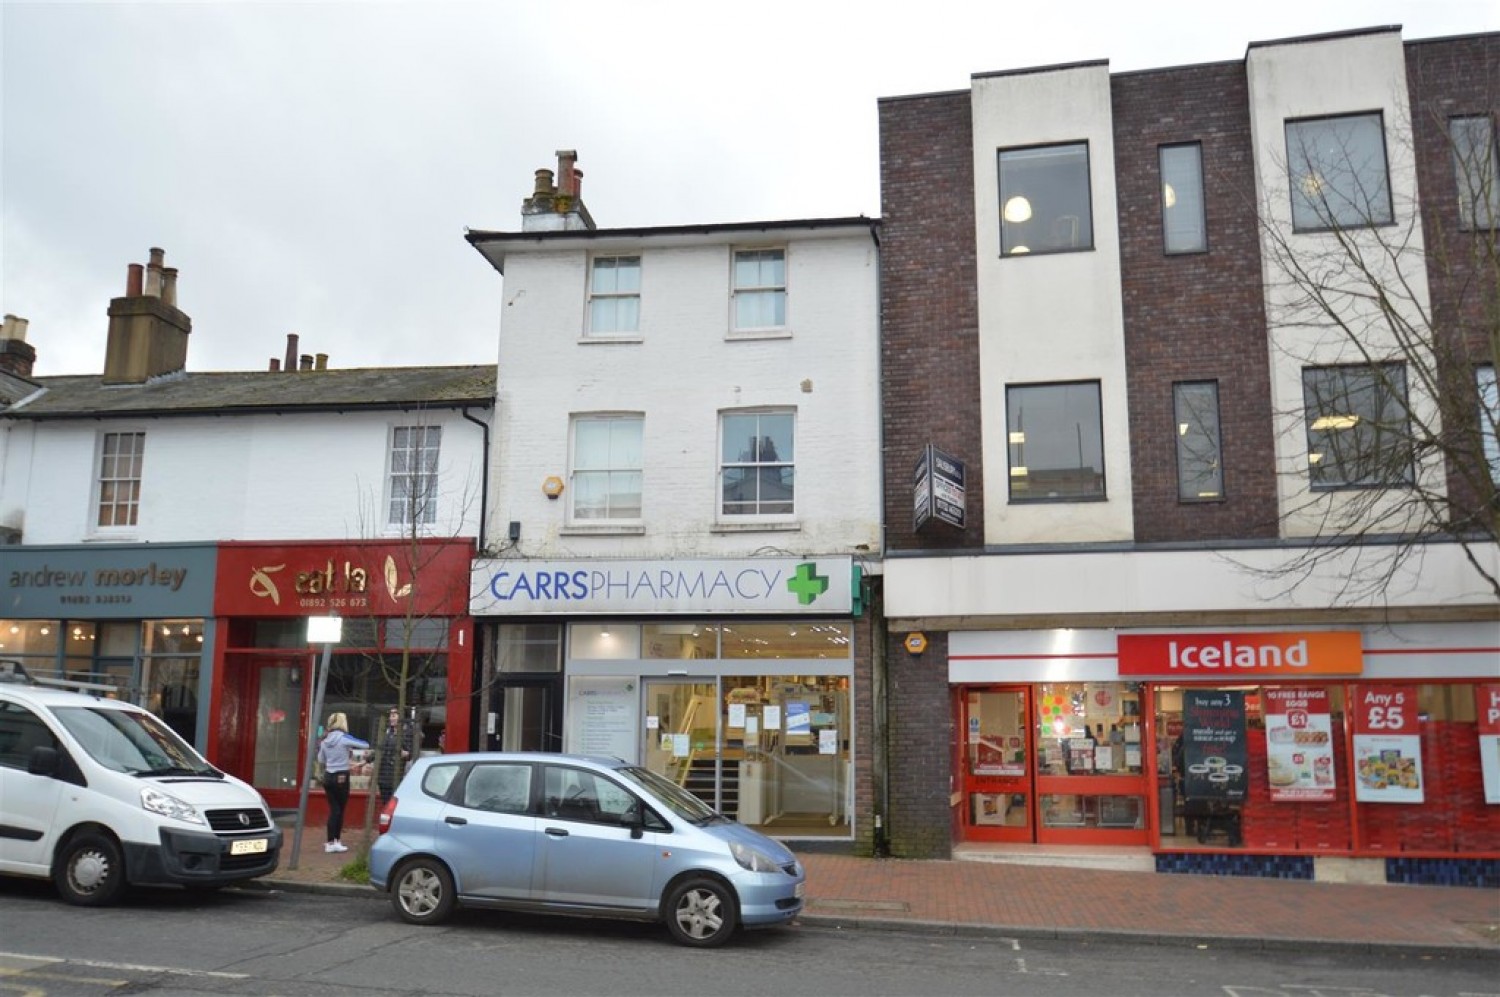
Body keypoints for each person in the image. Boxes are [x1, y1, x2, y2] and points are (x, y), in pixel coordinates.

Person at [316, 712, 368, 853]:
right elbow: (364, 744)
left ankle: (329, 842)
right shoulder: (344, 738)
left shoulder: (325, 740)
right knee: (340, 810)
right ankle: (336, 841)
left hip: (328, 776)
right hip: (342, 777)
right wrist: (347, 751)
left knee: (333, 809)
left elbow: (321, 759)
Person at [376, 708, 415, 807]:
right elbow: (381, 749)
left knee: (392, 806)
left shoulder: (407, 732)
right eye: (390, 715)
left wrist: (406, 754)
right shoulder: (389, 732)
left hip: (395, 776)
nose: (391, 718)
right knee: (386, 804)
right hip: (383, 776)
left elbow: (410, 753)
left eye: (394, 715)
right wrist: (366, 760)